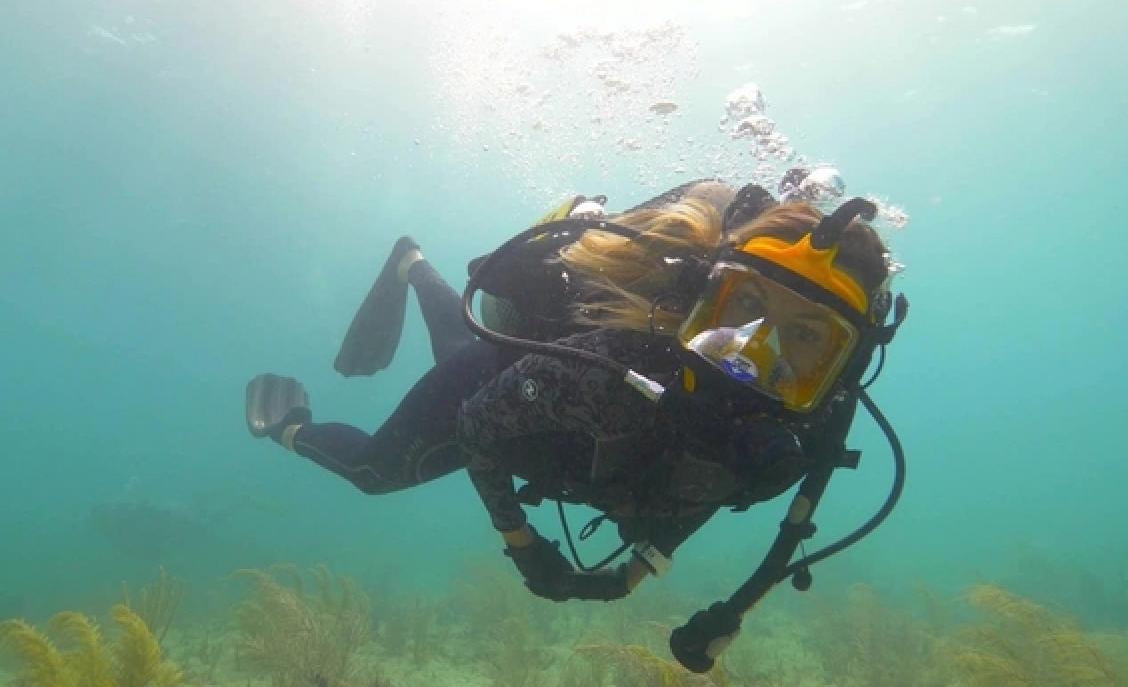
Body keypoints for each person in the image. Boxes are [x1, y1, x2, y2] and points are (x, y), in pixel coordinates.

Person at [244, 174, 903, 621]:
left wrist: (629, 577)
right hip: (517, 404)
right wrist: (522, 543)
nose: (752, 354)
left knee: (458, 352)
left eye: (809, 336)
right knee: (377, 472)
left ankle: (414, 263)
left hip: (535, 414)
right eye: (746, 307)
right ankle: (288, 426)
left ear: (843, 368)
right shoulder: (614, 371)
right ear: (711, 296)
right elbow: (476, 425)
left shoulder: (800, 434)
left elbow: (712, 484)